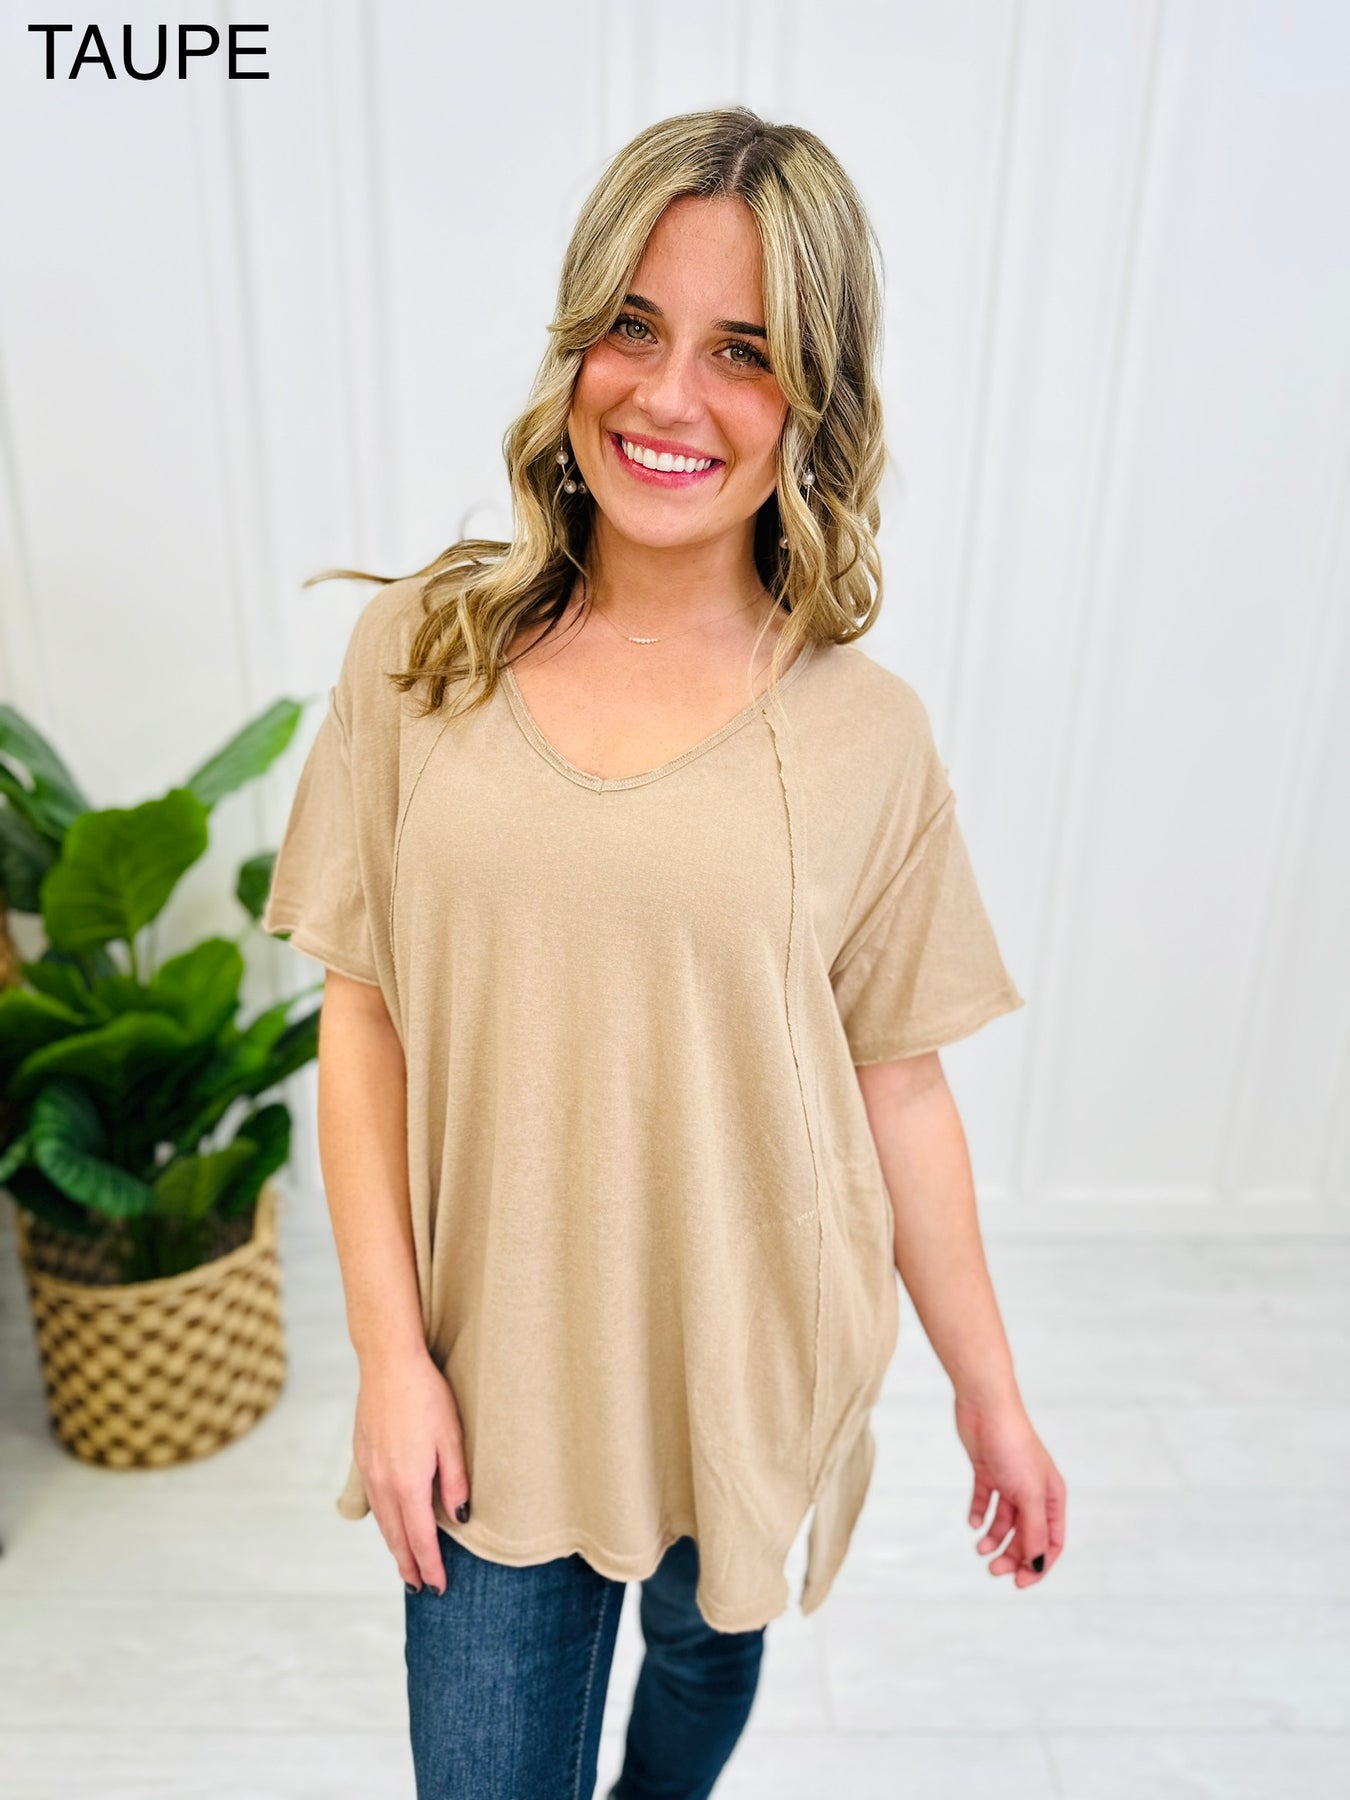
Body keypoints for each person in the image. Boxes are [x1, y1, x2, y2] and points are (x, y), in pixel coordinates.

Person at [261, 104, 1066, 1800]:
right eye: (630, 326)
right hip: (491, 1397)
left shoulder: (863, 735)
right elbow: (363, 1017)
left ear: (813, 400)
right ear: (575, 339)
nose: (667, 396)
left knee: (705, 1670)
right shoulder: (421, 653)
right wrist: (391, 1361)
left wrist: (988, 1397)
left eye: (741, 352)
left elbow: (899, 1089)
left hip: (745, 1361)